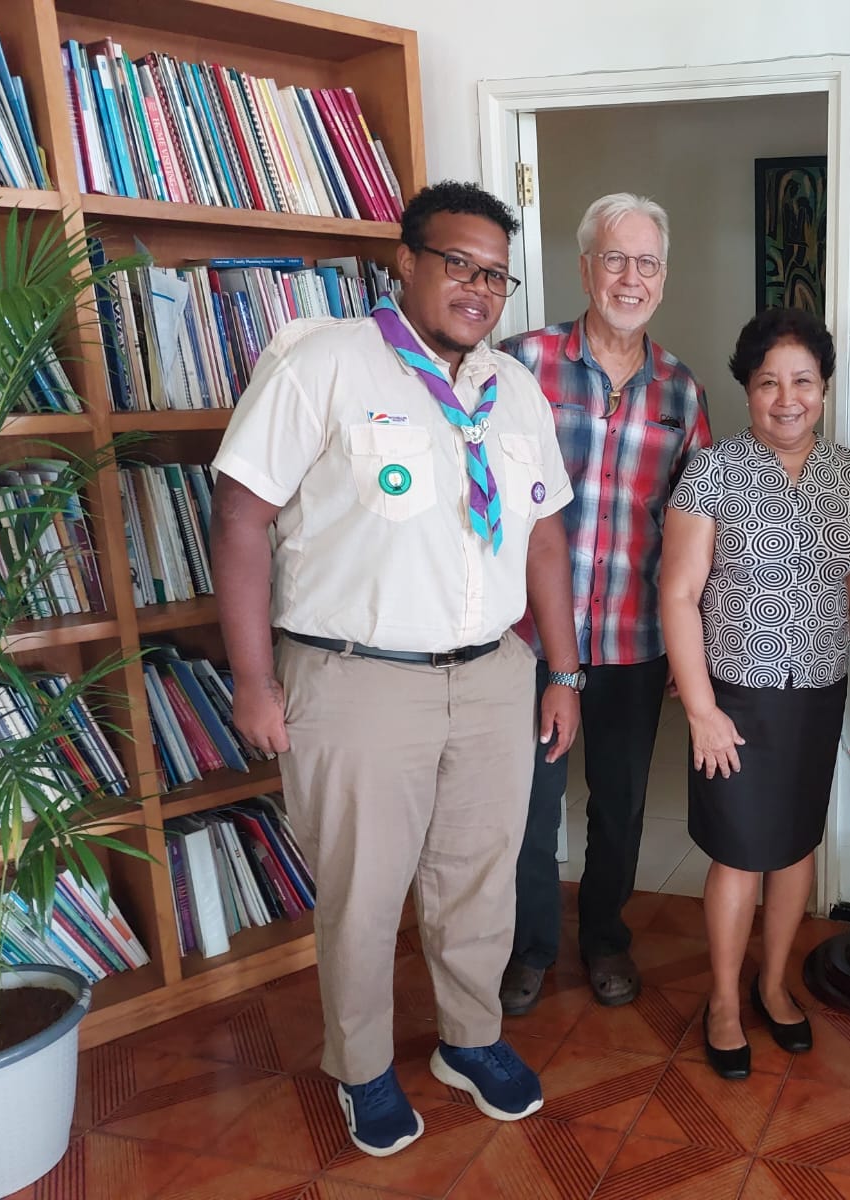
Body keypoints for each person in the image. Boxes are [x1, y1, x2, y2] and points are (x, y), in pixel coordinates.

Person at [212, 181, 583, 1158]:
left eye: (495, 274)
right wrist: (254, 680)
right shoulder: (325, 363)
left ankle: (471, 1040)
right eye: (457, 263)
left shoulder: (514, 389)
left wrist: (562, 670)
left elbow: (544, 533)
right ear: (405, 262)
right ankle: (363, 1068)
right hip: (357, 676)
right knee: (365, 891)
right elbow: (242, 516)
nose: (477, 288)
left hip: (493, 673)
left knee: (480, 878)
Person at [660, 308, 850, 1080]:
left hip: (818, 691)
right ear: (747, 391)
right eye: (768, 383)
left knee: (795, 846)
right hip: (735, 697)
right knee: (738, 853)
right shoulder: (712, 471)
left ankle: (773, 982)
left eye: (803, 382)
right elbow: (678, 595)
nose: (786, 399)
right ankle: (724, 1000)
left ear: (824, 388)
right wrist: (701, 710)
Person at [498, 194, 712, 1013]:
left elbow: (696, 526)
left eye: (647, 263)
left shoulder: (680, 392)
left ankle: (605, 937)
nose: (631, 278)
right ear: (586, 268)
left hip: (632, 638)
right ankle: (531, 947)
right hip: (527, 638)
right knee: (529, 808)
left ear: (664, 278)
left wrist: (691, 645)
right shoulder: (518, 363)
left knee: (618, 807)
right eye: (615, 260)